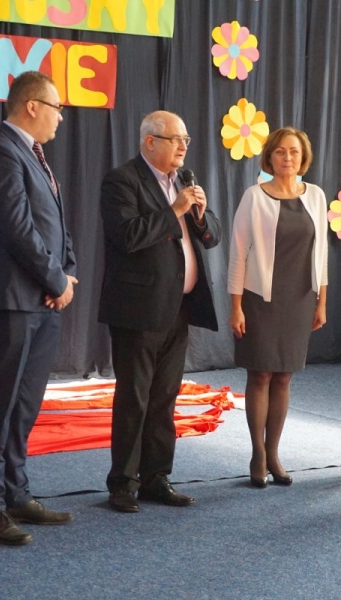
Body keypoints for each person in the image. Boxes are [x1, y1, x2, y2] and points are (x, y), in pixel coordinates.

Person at [0, 71, 78, 546]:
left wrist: (67, 273)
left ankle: (16, 494)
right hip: (12, 301)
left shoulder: (34, 155)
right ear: (32, 106)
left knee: (25, 405)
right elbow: (17, 228)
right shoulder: (0, 152)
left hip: (42, 300)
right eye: (57, 108)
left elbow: (56, 225)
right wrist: (55, 280)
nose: (60, 118)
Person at [99, 111, 220, 513]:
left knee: (165, 397)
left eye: (186, 139)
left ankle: (156, 478)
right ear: (150, 142)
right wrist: (175, 210)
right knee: (134, 397)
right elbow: (127, 235)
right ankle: (123, 483)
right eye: (175, 139)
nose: (183, 146)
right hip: (137, 309)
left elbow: (212, 235)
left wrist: (198, 215)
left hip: (179, 307)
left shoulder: (183, 182)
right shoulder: (122, 181)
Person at [227, 127, 329, 488]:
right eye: (281, 152)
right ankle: (257, 454)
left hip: (299, 298)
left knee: (284, 376)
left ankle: (274, 453)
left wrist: (322, 301)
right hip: (259, 298)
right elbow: (238, 254)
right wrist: (236, 307)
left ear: (304, 158)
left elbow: (322, 253)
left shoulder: (316, 195)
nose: (288, 158)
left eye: (294, 152)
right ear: (269, 157)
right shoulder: (254, 197)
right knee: (260, 375)